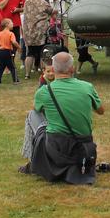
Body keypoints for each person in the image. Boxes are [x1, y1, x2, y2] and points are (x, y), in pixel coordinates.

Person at [20, 52, 103, 185]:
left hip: (57, 145)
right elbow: (101, 111)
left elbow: (37, 110)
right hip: (83, 144)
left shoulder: (44, 91)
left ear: (53, 69)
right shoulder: (87, 87)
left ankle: (32, 160)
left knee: (32, 115)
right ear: (72, 68)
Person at [22, 0, 53, 80]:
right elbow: (51, 11)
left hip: (29, 30)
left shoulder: (27, 2)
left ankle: (27, 74)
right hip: (41, 30)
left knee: (30, 52)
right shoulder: (42, 2)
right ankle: (44, 74)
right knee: (42, 52)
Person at [0, 19, 20, 85]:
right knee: (12, 67)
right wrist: (19, 47)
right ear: (7, 25)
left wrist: (1, 44)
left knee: (1, 67)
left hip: (1, 52)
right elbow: (14, 42)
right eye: (11, 23)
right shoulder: (11, 33)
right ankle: (16, 80)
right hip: (8, 52)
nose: (13, 24)